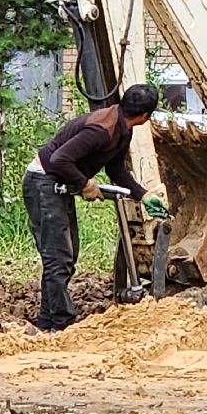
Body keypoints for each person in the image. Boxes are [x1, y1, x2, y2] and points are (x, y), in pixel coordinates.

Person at [21, 84, 169, 332]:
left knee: (66, 256)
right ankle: (62, 324)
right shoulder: (101, 130)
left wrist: (142, 196)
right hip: (43, 182)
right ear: (146, 116)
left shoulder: (122, 128)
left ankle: (47, 322)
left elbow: (115, 170)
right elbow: (60, 159)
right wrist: (85, 183)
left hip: (57, 184)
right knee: (59, 257)